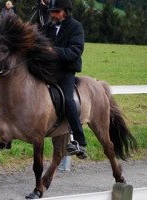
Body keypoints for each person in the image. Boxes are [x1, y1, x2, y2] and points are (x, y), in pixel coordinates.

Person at [41, 0, 87, 159]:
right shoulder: (47, 28)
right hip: (47, 70)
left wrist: (52, 50)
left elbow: (75, 52)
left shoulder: (76, 27)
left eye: (56, 11)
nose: (53, 14)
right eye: (51, 11)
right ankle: (8, 137)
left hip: (66, 71)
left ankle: (79, 141)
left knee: (68, 100)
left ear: (66, 11)